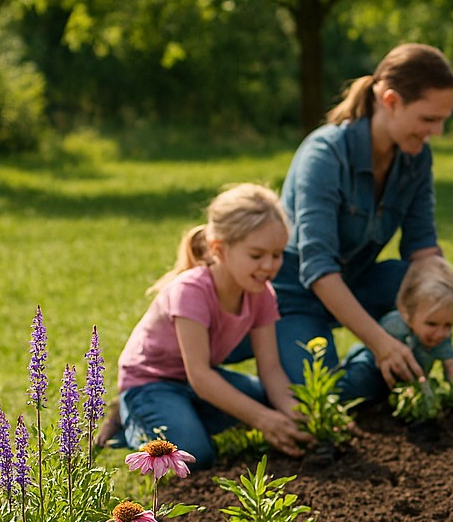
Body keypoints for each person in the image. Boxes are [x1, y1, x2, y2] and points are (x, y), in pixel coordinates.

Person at [273, 42, 453, 394]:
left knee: (426, 281)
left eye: (442, 120)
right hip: (298, 296)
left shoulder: (415, 157)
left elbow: (423, 249)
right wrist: (382, 344)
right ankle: (375, 360)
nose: (437, 132)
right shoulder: (325, 155)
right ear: (390, 101)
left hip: (359, 281)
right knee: (324, 396)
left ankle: (383, 364)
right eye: (429, 119)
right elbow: (318, 269)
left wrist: (449, 360)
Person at [112, 184, 312, 468]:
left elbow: (271, 369)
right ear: (220, 248)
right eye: (256, 255)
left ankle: (182, 418)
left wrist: (301, 418)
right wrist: (261, 419)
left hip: (196, 383)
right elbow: (201, 376)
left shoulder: (261, 293)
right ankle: (129, 418)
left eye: (277, 254)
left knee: (268, 399)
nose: (269, 265)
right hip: (151, 383)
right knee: (195, 455)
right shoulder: (191, 291)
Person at [340, 254, 453, 400]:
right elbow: (372, 346)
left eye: (448, 325)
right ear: (408, 315)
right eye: (431, 324)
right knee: (359, 384)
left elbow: (448, 359)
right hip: (373, 368)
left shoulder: (441, 336)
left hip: (406, 381)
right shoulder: (395, 325)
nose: (440, 333)